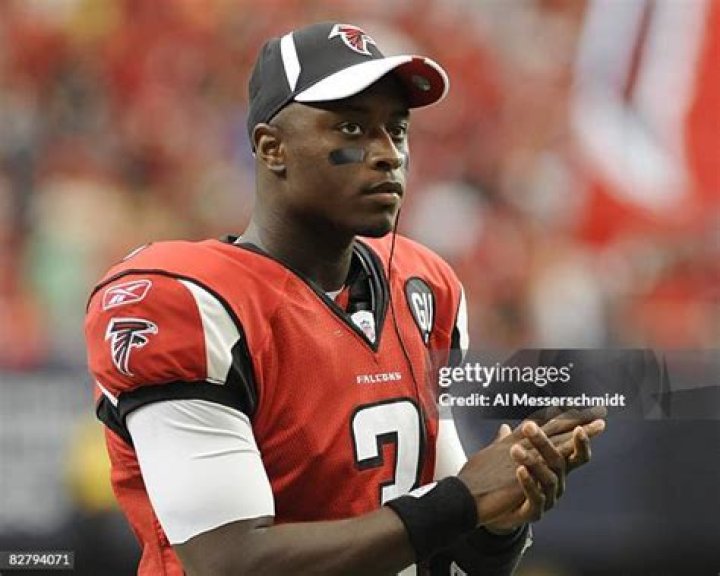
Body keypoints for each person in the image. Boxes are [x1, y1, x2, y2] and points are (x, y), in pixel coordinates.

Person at [84, 22, 606, 575]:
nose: (388, 154)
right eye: (352, 128)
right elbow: (229, 562)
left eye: (397, 130)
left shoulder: (425, 288)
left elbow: (447, 546)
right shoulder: (188, 302)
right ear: (272, 147)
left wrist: (501, 519)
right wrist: (464, 500)